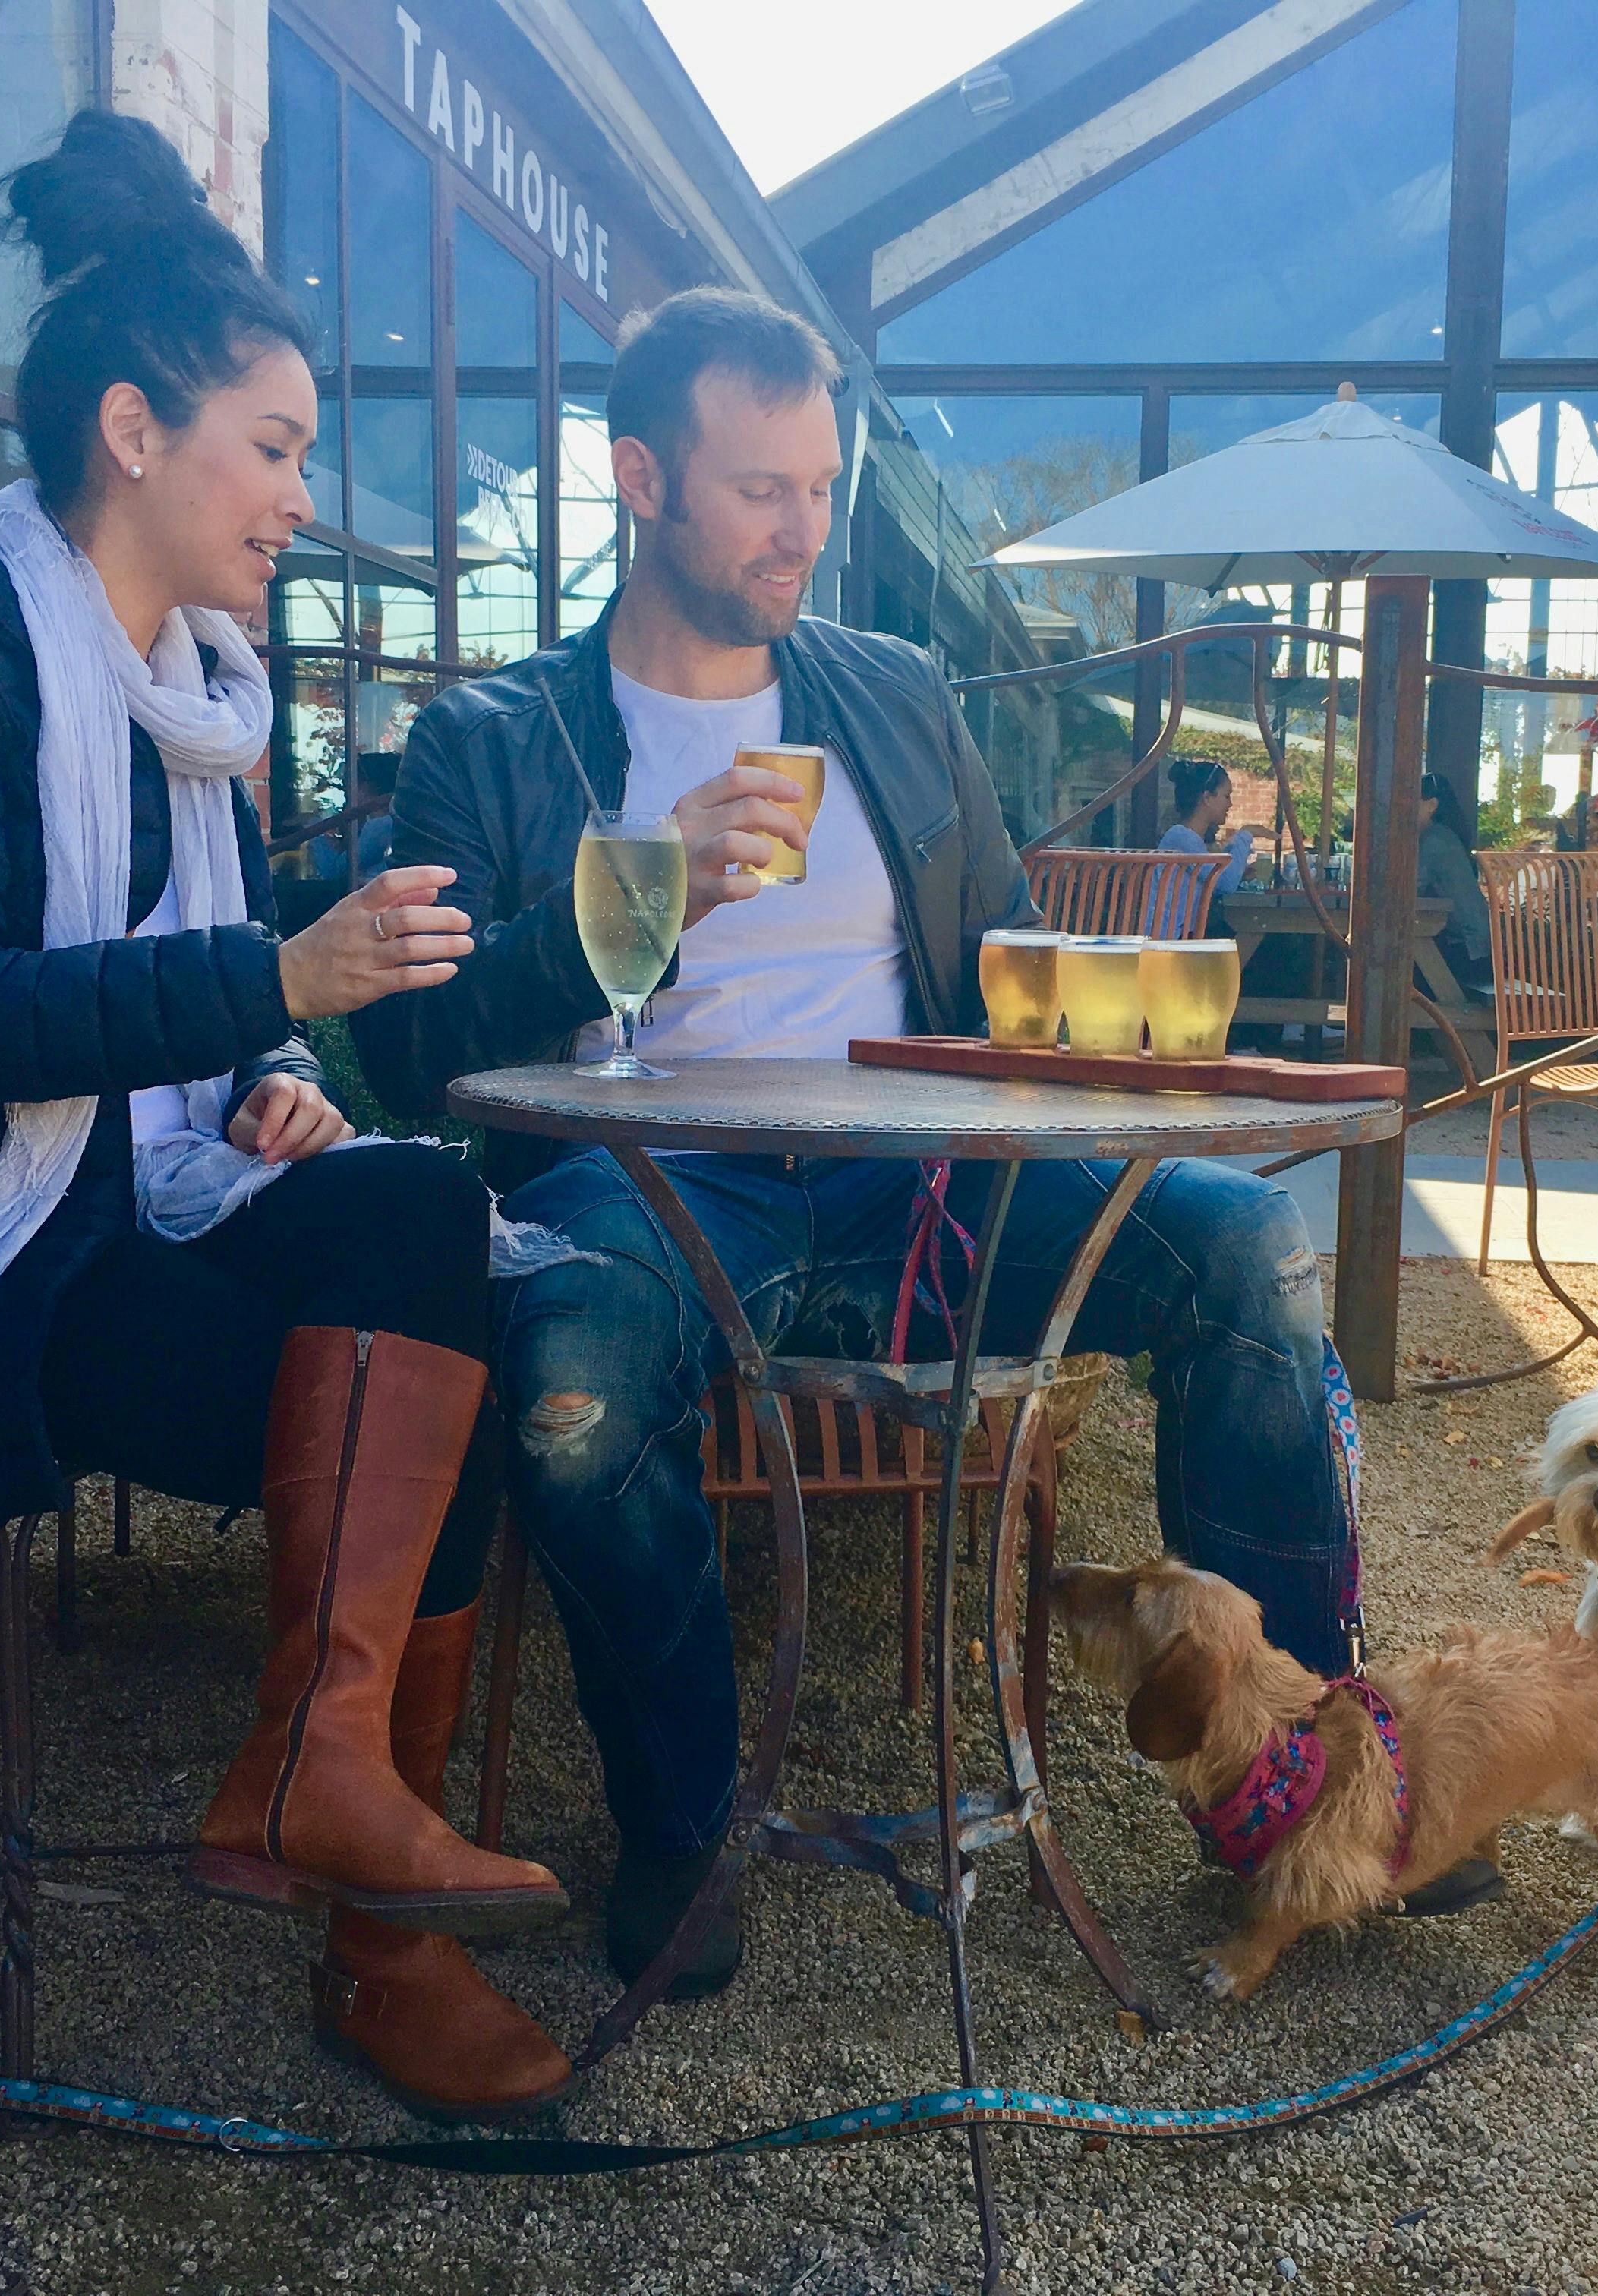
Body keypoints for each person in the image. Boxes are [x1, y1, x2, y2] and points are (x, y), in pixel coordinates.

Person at [356, 285, 1459, 2004]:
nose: (804, 530)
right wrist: (627, 892)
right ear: (638, 478)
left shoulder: (886, 692)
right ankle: (684, 1818)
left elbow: (1002, 967)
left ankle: (1310, 1777)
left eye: (820, 485)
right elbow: (410, 1056)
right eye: (757, 490)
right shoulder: (489, 744)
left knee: (1244, 1242)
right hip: (653, 1186)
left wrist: (1113, 1023)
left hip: (920, 1181)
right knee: (568, 1397)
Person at [0, 112, 572, 2126]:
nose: (301, 495)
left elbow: (185, 1034)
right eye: (272, 447)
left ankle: (328, 1802)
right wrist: (275, 989)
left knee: (422, 1243)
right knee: (424, 1358)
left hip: (121, 1204)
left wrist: (270, 1078)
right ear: (132, 430)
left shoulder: (196, 700)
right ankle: (373, 1913)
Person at [1158, 755, 1254, 935]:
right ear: (1208, 797)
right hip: (1166, 937)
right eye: (1226, 796)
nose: (1230, 803)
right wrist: (1246, 835)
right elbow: (1226, 884)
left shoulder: (1186, 838)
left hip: (1177, 933)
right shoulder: (1182, 838)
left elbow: (1215, 877)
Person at [1417, 773, 1494, 989]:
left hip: (1466, 952)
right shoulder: (1443, 835)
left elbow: (1408, 889)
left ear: (1432, 805)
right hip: (1479, 950)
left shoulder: (1434, 840)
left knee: (1397, 966)